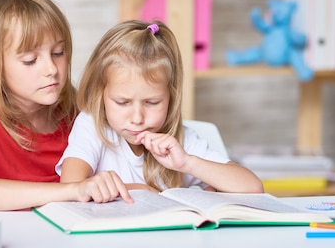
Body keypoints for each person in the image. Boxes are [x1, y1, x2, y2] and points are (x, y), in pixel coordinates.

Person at [0, 0, 132, 210]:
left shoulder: (74, 111)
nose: (51, 69)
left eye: (58, 53)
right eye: (30, 60)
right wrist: (74, 190)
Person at [57, 20, 264, 193]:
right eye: (122, 102)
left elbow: (253, 188)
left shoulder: (182, 140)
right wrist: (139, 190)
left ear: (170, 98)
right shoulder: (92, 127)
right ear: (100, 95)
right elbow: (70, 188)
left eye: (152, 103)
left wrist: (187, 163)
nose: (137, 118)